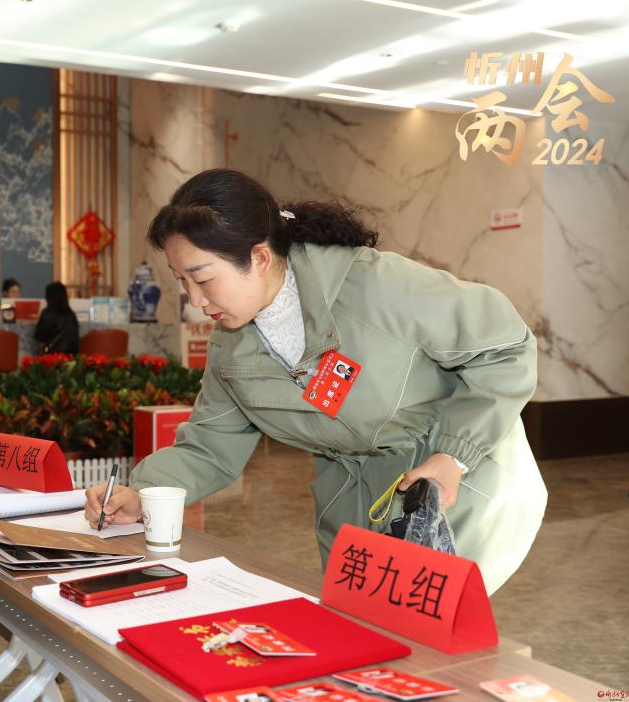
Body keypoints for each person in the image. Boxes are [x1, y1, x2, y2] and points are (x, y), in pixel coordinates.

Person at [85, 169, 546, 594]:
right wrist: (142, 493)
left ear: (259, 257)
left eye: (203, 279)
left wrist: (453, 456)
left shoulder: (377, 285)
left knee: (429, 633)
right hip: (353, 505)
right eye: (181, 281)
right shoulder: (231, 345)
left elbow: (504, 345)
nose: (195, 300)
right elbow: (208, 446)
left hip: (447, 482)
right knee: (363, 638)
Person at [34, 281, 80, 355]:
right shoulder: (71, 315)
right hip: (72, 357)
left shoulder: (48, 313)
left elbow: (39, 336)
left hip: (52, 356)